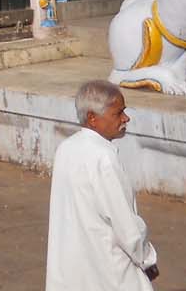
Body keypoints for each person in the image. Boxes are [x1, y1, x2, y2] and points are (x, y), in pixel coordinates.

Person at [46, 80, 158, 291]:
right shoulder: (103, 158)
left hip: (71, 270)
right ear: (92, 118)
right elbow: (126, 225)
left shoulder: (66, 148)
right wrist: (148, 260)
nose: (126, 118)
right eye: (118, 113)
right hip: (110, 271)